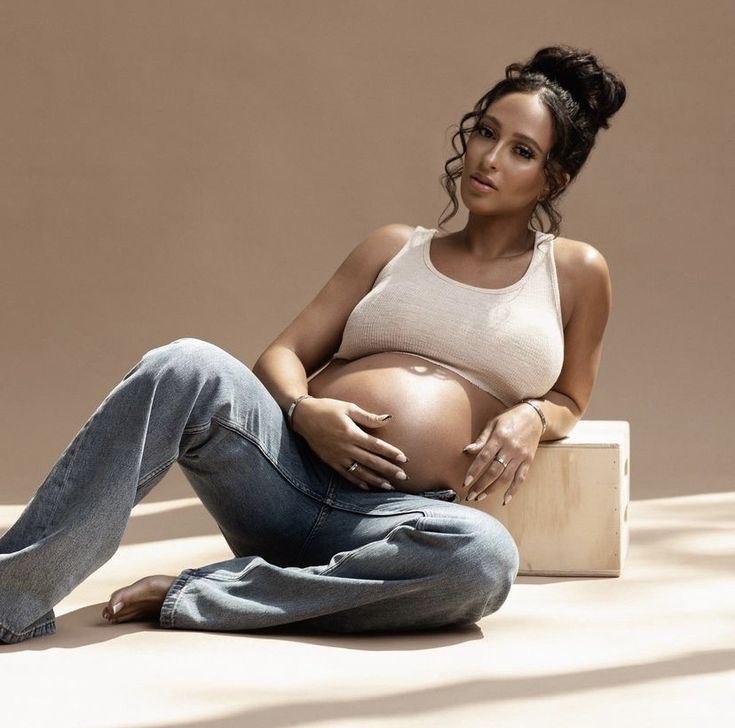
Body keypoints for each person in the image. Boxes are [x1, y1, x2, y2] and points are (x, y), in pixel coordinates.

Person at [0, 44, 626, 644]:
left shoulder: (573, 272)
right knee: (184, 363)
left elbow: (571, 395)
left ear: (552, 179)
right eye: (486, 133)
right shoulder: (393, 247)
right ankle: (10, 594)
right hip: (281, 476)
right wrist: (305, 411)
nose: (490, 159)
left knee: (483, 558)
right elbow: (281, 356)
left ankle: (202, 596)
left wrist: (531, 414)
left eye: (521, 150)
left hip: (397, 520)